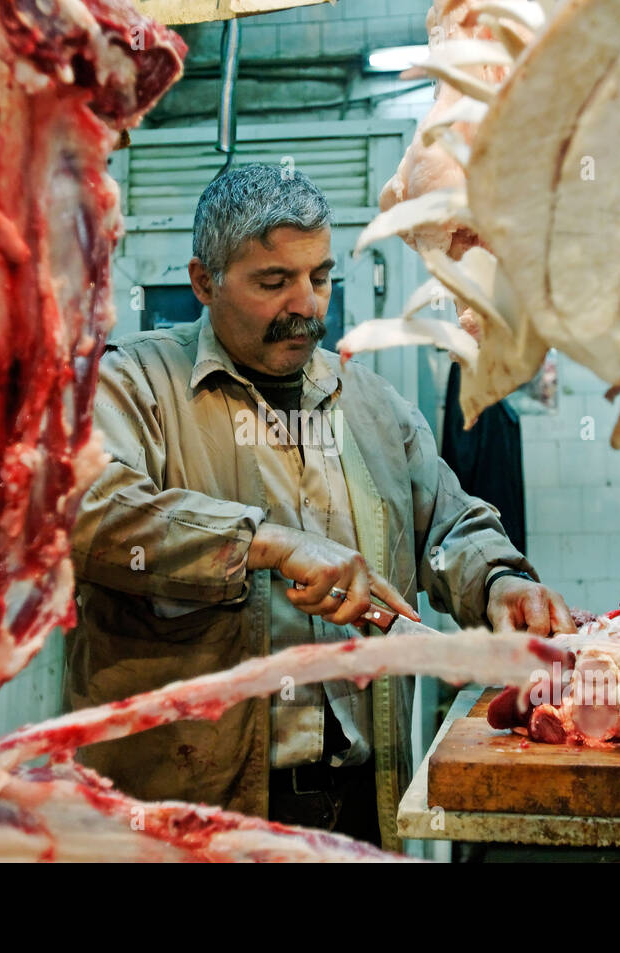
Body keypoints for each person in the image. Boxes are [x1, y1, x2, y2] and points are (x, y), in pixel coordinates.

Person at [66, 164, 574, 850]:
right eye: (274, 282)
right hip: (193, 818)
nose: (307, 305)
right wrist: (263, 542)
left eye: (321, 277)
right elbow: (87, 509)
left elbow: (450, 523)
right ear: (203, 282)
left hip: (357, 806)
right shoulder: (135, 384)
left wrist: (499, 579)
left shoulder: (367, 403)